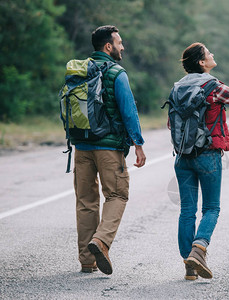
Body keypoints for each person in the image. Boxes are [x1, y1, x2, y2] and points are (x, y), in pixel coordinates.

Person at [171, 42, 229, 280]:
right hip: (208, 155)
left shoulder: (177, 88)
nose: (213, 54)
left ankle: (189, 265)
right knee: (211, 208)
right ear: (202, 63)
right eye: (208, 53)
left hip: (182, 157)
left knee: (187, 211)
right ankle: (199, 248)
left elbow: (171, 123)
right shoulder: (214, 87)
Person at [73, 25, 146, 275]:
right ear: (108, 46)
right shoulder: (116, 72)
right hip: (109, 147)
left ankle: (86, 261)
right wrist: (138, 145)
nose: (122, 46)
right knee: (117, 195)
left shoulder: (79, 71)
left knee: (85, 202)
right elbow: (129, 111)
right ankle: (101, 241)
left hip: (81, 146)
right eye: (119, 42)